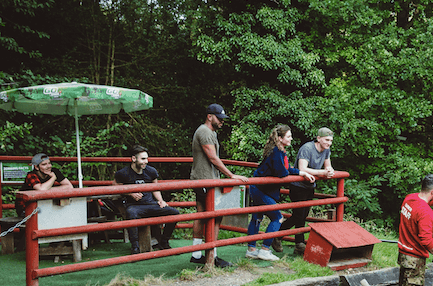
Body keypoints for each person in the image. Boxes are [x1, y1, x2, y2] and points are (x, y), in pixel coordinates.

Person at [190, 103, 248, 268]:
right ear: (210, 116)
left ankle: (197, 254)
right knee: (214, 216)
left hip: (204, 179)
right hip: (205, 180)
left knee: (201, 214)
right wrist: (231, 175)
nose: (222, 122)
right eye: (219, 118)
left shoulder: (210, 133)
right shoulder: (205, 132)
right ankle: (212, 255)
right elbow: (213, 158)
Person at [247, 124, 314, 261]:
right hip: (261, 189)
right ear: (280, 138)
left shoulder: (278, 151)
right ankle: (265, 249)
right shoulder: (277, 152)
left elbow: (287, 168)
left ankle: (251, 249)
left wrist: (301, 172)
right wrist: (292, 172)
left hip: (259, 187)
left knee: (257, 217)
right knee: (277, 217)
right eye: (288, 136)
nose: (291, 139)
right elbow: (282, 172)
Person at [276, 127, 336, 254]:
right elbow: (303, 168)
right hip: (298, 185)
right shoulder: (307, 148)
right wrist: (322, 172)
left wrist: (330, 170)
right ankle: (279, 235)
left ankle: (296, 242)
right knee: (299, 215)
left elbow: (328, 165)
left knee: (302, 216)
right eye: (326, 140)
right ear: (318, 139)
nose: (329, 143)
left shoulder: (326, 150)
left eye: (331, 140)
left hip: (310, 186)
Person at [114, 145, 179, 254]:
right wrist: (130, 193)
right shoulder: (123, 173)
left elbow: (156, 188)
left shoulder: (151, 171)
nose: (146, 161)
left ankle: (164, 242)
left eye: (147, 158)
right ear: (134, 159)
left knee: (175, 212)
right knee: (131, 213)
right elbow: (114, 188)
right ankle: (135, 247)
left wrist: (161, 200)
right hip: (134, 206)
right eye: (143, 159)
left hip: (151, 204)